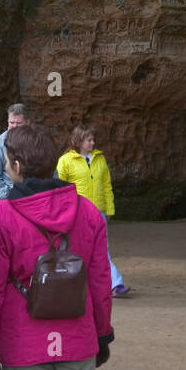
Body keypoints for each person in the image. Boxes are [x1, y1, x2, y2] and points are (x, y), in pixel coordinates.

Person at [0, 124, 115, 370]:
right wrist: (102, 334)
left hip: (24, 341)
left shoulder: (0, 216)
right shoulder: (88, 212)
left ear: (18, 166)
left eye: (7, 162)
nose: (6, 168)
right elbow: (101, 281)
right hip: (77, 337)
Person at [56, 125, 129, 297]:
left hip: (99, 211)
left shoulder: (99, 159)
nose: (92, 143)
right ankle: (71, 283)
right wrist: (63, 211)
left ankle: (115, 284)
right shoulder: (65, 161)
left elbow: (106, 185)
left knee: (103, 248)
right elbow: (59, 188)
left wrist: (109, 208)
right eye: (89, 140)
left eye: (93, 139)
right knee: (74, 247)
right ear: (79, 141)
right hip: (77, 212)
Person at [0, 103, 29, 201]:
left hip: (35, 196)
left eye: (19, 123)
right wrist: (8, 197)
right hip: (9, 196)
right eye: (11, 122)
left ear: (27, 122)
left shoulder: (37, 141)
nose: (14, 126)